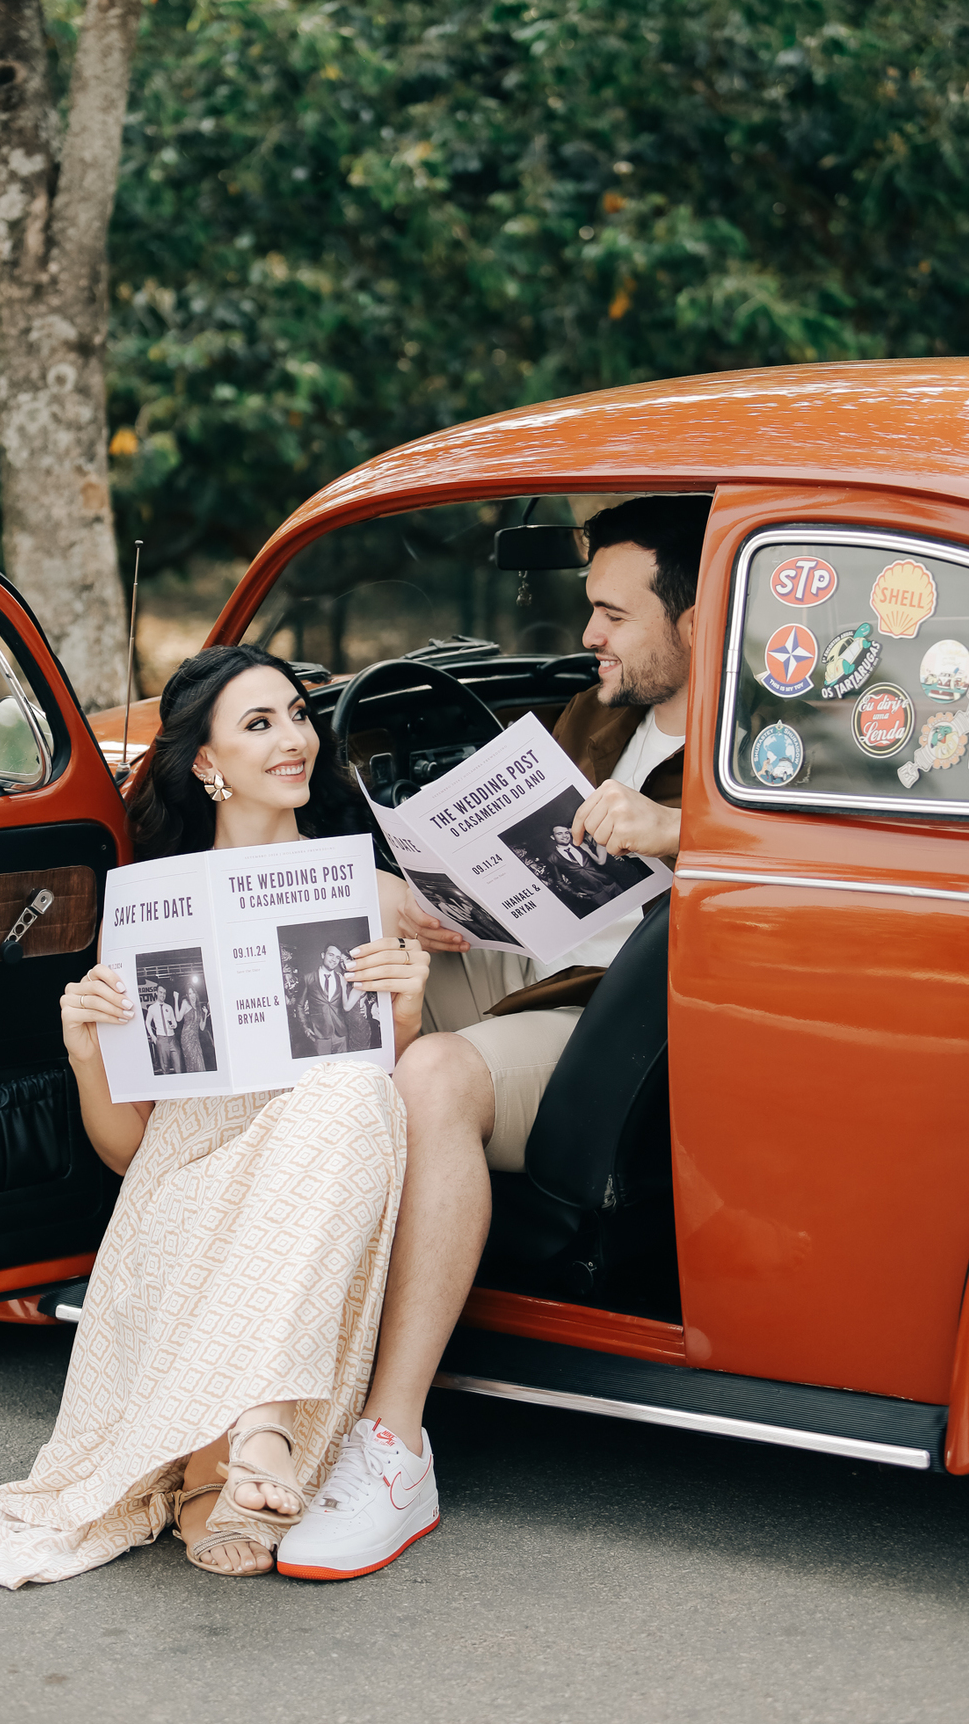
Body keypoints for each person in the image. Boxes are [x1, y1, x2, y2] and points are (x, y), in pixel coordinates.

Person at [0, 644, 432, 1588]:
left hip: (325, 1161)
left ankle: (253, 1433)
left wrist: (403, 1010)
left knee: (351, 1091)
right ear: (205, 763)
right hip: (191, 1174)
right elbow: (130, 1151)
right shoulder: (153, 911)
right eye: (259, 724)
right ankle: (241, 1451)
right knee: (324, 1107)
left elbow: (397, 1107)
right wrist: (86, 1055)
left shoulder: (364, 892)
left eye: (296, 714)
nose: (295, 740)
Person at [275, 492, 707, 1581]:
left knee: (430, 1071)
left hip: (606, 1012)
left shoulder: (764, 747)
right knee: (331, 958)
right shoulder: (602, 710)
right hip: (518, 956)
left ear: (696, 622)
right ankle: (264, 1361)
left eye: (612, 613)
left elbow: (823, 857)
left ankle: (393, 1444)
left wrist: (681, 833)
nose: (588, 636)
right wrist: (431, 897)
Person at [298, 943, 350, 1053]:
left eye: (337, 957)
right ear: (323, 955)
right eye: (331, 955)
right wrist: (305, 1028)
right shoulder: (308, 978)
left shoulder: (341, 978)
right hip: (319, 1035)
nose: (334, 960)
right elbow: (299, 1005)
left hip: (340, 1034)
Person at [144, 984, 182, 1073]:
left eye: (164, 993)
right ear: (156, 993)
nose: (163, 995)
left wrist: (173, 1025)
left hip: (172, 1039)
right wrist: (152, 1036)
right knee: (165, 1068)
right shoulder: (152, 1008)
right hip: (161, 1039)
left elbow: (175, 1023)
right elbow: (147, 1022)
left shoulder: (169, 1007)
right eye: (161, 992)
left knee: (178, 1066)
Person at [175, 978, 208, 1074]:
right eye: (189, 993)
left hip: (195, 1040)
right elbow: (178, 1018)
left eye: (193, 993)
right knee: (192, 1063)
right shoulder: (185, 1003)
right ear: (187, 995)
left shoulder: (198, 1007)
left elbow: (202, 1027)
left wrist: (205, 1014)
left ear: (195, 994)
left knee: (199, 1062)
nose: (192, 995)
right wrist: (176, 1000)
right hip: (186, 1039)